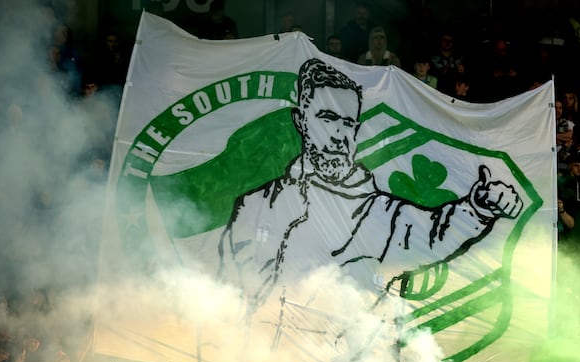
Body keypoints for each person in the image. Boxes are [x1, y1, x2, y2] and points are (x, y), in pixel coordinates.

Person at [218, 58, 523, 317]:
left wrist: (478, 208)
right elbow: (225, 294)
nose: (340, 134)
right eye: (327, 118)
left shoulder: (379, 212)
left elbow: (433, 234)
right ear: (301, 121)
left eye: (348, 123)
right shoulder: (254, 205)